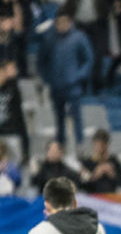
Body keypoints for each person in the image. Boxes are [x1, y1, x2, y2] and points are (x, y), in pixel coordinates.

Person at [38, 9, 93, 147]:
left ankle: (80, 144)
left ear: (70, 22)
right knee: (59, 118)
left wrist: (78, 75)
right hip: (56, 86)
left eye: (64, 22)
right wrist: (47, 77)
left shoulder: (79, 37)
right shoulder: (50, 39)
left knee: (76, 117)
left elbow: (89, 59)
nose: (61, 25)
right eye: (59, 22)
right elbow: (41, 60)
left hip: (73, 86)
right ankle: (60, 144)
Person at [79, 129, 121, 194]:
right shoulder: (87, 162)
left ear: (107, 144)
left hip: (111, 198)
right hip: (92, 199)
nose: (100, 147)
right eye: (98, 144)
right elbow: (82, 184)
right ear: (93, 144)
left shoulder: (114, 161)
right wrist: (95, 175)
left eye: (103, 144)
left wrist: (112, 174)